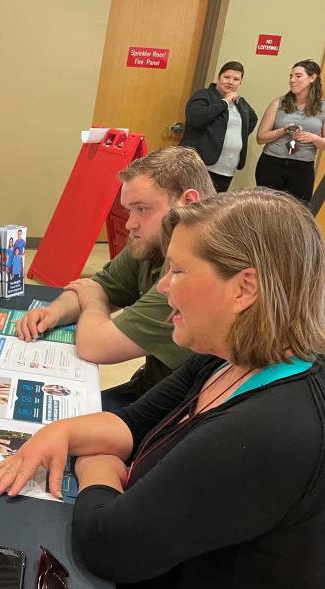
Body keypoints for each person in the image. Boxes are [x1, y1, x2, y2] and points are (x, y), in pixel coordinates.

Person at [0, 188, 325, 589]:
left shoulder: (275, 427)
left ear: (245, 288)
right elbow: (133, 423)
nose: (162, 286)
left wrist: (96, 462)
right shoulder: (232, 357)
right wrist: (66, 434)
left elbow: (108, 544)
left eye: (178, 272)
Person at [16, 146, 216, 410]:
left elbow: (96, 345)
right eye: (129, 210)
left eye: (142, 209)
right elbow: (97, 286)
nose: (129, 224)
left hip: (180, 411)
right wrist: (54, 312)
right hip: (153, 388)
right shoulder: (154, 242)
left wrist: (93, 302)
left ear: (188, 203)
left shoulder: (196, 268)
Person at [255, 59, 325, 202]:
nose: (292, 80)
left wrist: (313, 138)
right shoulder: (278, 103)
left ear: (312, 78)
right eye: (290, 76)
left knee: (297, 213)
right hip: (272, 163)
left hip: (302, 168)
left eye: (298, 76)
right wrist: (282, 131)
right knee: (267, 210)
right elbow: (260, 138)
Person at [180, 60, 258, 192]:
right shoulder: (203, 96)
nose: (230, 82)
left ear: (240, 82)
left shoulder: (240, 102)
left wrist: (235, 137)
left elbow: (252, 120)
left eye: (236, 79)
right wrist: (224, 102)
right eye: (226, 77)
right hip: (200, 165)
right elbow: (195, 118)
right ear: (218, 77)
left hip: (227, 168)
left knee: (214, 208)